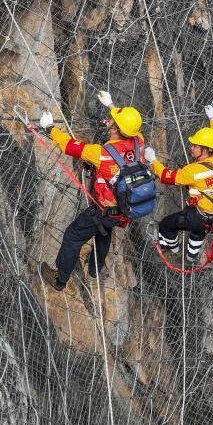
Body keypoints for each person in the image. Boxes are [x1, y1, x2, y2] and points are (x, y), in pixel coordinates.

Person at [38, 91, 149, 292]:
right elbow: (128, 128)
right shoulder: (138, 141)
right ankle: (95, 267)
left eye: (113, 121)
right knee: (105, 229)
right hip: (124, 208)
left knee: (73, 236)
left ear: (116, 128)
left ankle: (60, 280)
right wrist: (111, 106)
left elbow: (69, 146)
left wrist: (50, 128)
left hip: (104, 210)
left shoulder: (101, 153)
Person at [146, 105, 213, 264]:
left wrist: (153, 160)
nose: (191, 148)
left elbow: (167, 177)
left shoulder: (193, 171)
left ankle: (174, 251)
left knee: (166, 225)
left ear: (205, 150)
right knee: (198, 231)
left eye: (195, 146)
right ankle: (191, 256)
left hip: (198, 217)